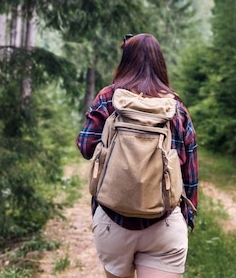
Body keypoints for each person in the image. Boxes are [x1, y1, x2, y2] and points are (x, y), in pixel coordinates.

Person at [77, 33, 198, 278]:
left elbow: (85, 146)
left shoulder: (108, 98)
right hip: (163, 221)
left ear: (126, 60)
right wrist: (187, 215)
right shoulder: (175, 106)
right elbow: (190, 169)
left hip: (113, 219)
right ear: (159, 63)